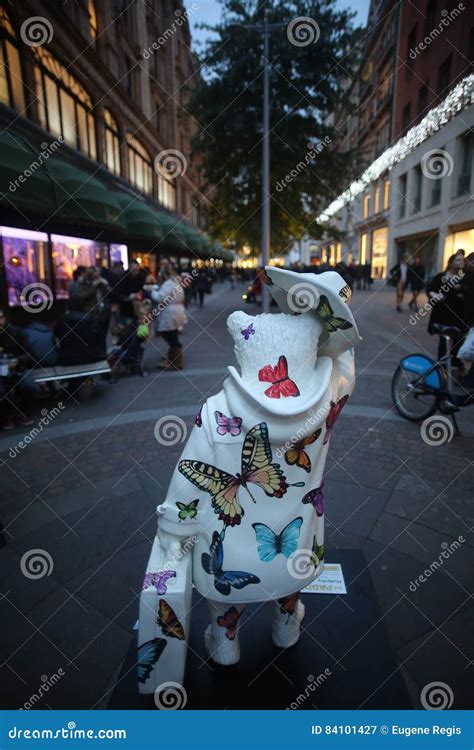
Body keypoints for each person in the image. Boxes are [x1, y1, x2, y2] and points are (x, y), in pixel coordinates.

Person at [426, 252, 465, 370]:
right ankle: (441, 364)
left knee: (459, 339)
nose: (461, 262)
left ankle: (455, 361)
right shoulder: (441, 276)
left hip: (458, 314)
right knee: (444, 340)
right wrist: (435, 295)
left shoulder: (465, 278)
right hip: (442, 313)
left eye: (462, 260)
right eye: (458, 260)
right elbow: (430, 289)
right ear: (451, 263)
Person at [145, 259, 186, 370]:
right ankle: (172, 359)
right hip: (176, 311)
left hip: (170, 312)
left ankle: (177, 362)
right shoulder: (176, 282)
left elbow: (160, 297)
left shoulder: (169, 284)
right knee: (173, 336)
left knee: (170, 336)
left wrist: (151, 291)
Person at [0, 309, 36, 429]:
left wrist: (18, 361)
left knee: (29, 385)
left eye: (1, 317)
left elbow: (29, 354)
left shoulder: (16, 332)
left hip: (18, 369)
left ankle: (24, 411)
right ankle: (5, 415)